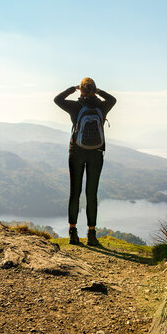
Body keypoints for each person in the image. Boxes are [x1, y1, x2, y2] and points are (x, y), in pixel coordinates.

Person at [54, 77, 116, 246]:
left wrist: (71, 89)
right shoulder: (102, 106)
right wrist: (99, 92)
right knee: (91, 194)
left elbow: (57, 99)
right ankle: (91, 234)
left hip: (76, 152)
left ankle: (73, 233)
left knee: (75, 192)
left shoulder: (76, 106)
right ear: (94, 89)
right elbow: (113, 99)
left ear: (81, 90)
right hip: (96, 153)